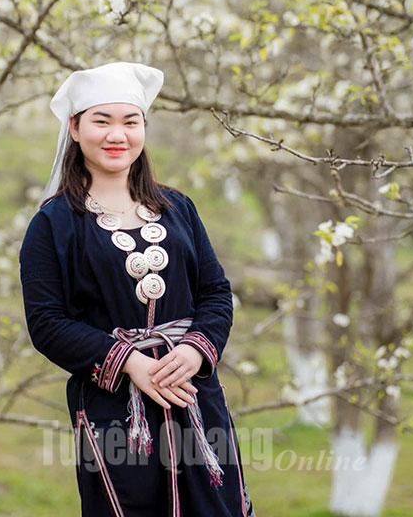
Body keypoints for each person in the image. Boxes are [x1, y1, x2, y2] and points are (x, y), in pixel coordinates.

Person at [18, 61, 255, 517]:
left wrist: (194, 351)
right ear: (75, 127)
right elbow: (47, 323)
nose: (116, 135)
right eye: (101, 121)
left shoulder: (178, 208)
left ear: (144, 127)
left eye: (130, 121)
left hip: (193, 396)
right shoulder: (54, 224)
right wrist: (130, 364)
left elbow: (216, 293)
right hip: (114, 410)